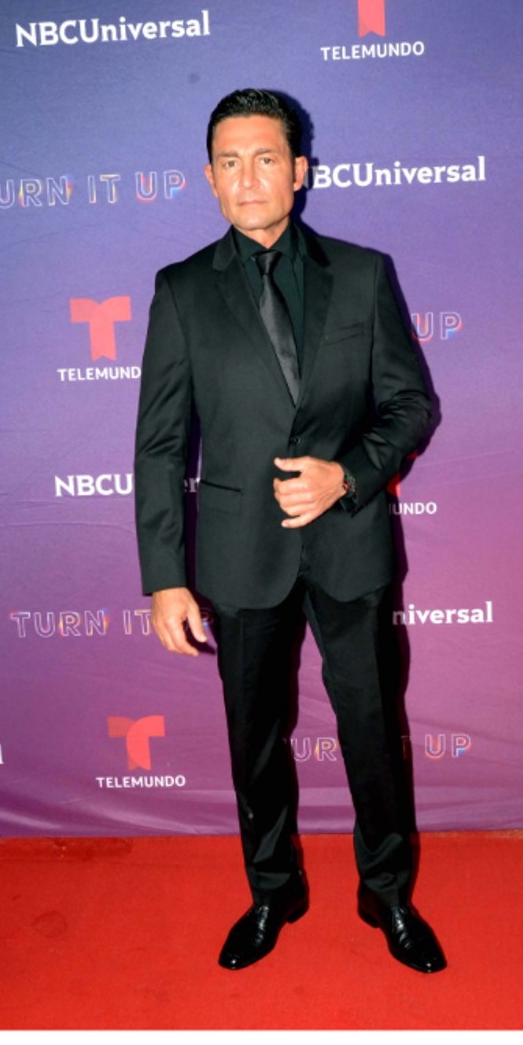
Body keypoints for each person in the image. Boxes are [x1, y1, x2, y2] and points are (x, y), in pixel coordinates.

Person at [134, 89, 445, 974]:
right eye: (229, 162)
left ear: (299, 170)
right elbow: (160, 444)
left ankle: (387, 893)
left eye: (266, 158)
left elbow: (412, 404)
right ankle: (273, 889)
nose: (248, 178)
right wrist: (164, 575)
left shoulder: (364, 273)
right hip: (240, 557)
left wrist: (347, 473)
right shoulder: (181, 290)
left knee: (371, 727)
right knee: (254, 739)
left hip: (350, 545)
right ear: (209, 177)